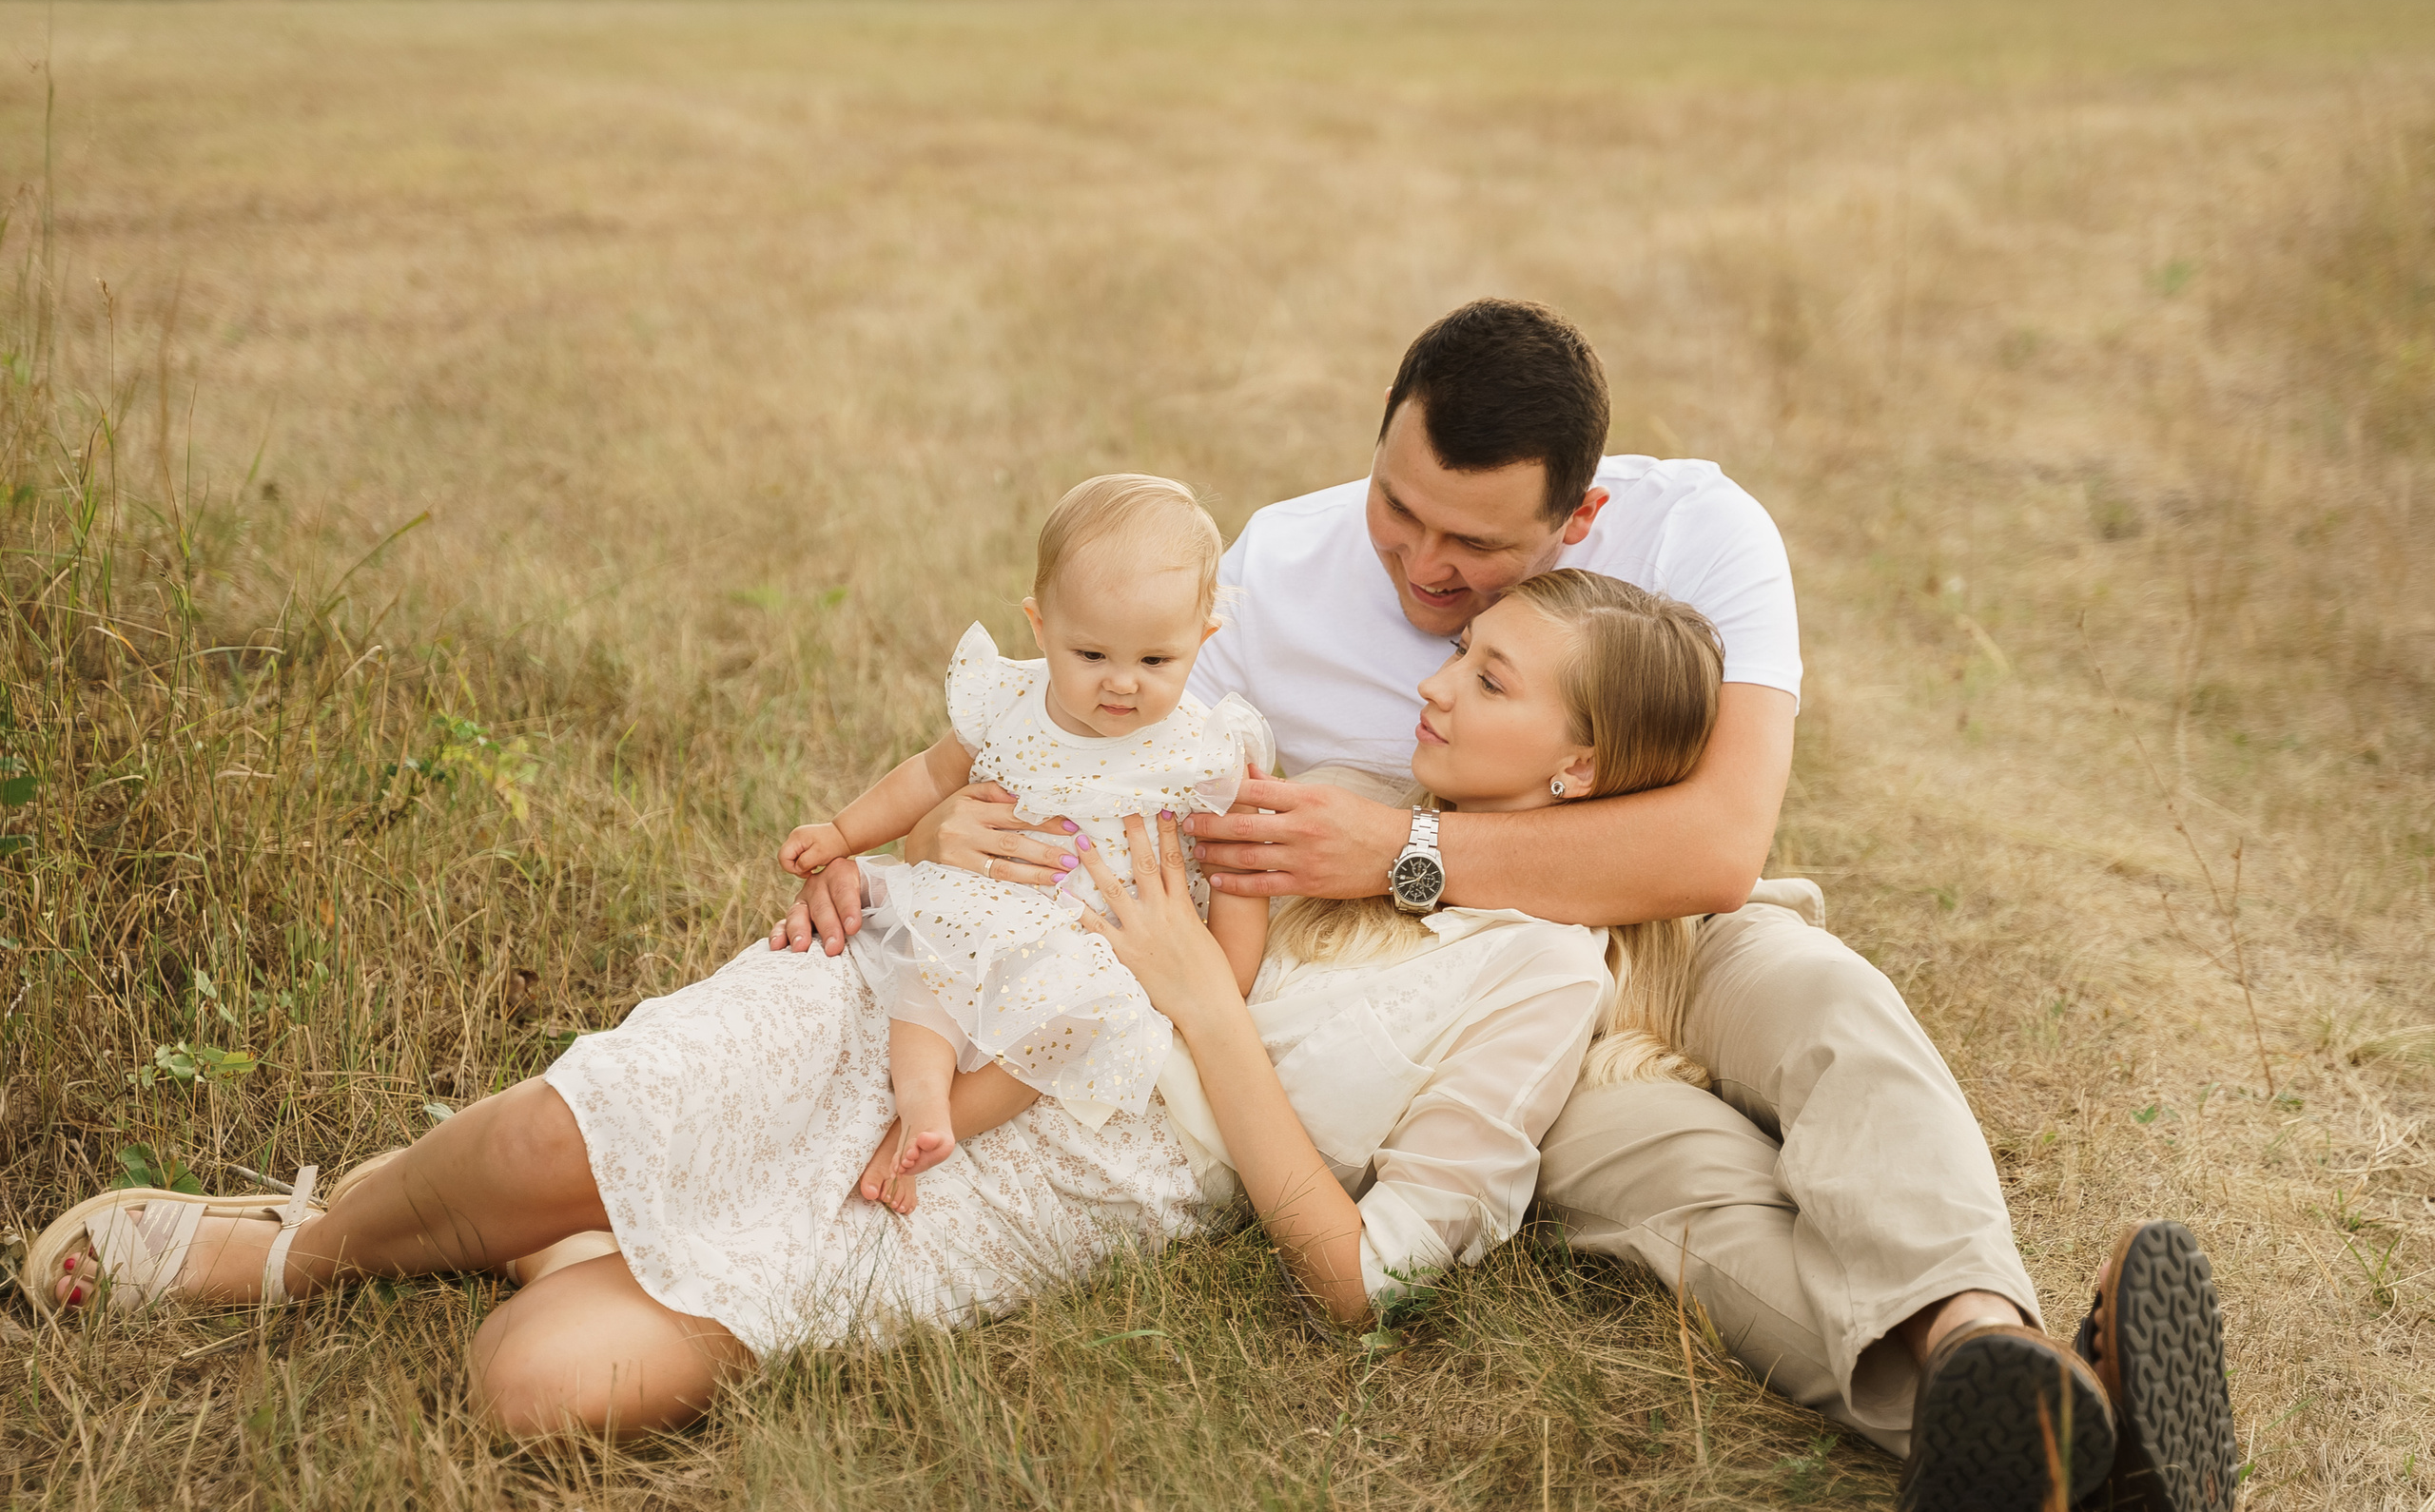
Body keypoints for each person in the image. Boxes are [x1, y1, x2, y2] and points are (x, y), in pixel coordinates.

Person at [781, 299, 2238, 1512]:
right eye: (1398, 510)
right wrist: (923, 837)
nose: (1425, 568)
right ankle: (2069, 1440)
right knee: (1703, 1209)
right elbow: (1100, 750)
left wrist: (1406, 848)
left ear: (1579, 519)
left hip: (1664, 919)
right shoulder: (1272, 572)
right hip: (1466, 999)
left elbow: (1715, 843)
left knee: (1830, 1010)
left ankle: (1979, 1331)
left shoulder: (1701, 532)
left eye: (1474, 552)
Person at [26, 570, 1719, 1451]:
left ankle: (568, 1222)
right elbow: (1058, 775)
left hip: (1094, 1158)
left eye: (1488, 675)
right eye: (1461, 650)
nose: (1436, 677)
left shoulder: (1536, 981)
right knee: (556, 1135)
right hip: (945, 996)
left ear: (1579, 764)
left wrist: (1205, 1010)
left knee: (537, 1381)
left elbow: (1371, 1277)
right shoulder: (1337, 796)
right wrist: (934, 838)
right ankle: (298, 1249)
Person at [777, 474, 1272, 1212]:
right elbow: (929, 775)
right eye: (1091, 654)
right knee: (929, 981)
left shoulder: (1204, 752)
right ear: (1041, 627)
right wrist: (844, 831)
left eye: (1155, 661)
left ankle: (943, 1126)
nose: (1122, 683)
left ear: (1201, 639)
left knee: (1052, 1037)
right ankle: (921, 1099)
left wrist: (1222, 981)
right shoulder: (1008, 698)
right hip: (986, 901)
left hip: (1094, 949)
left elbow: (1239, 870)